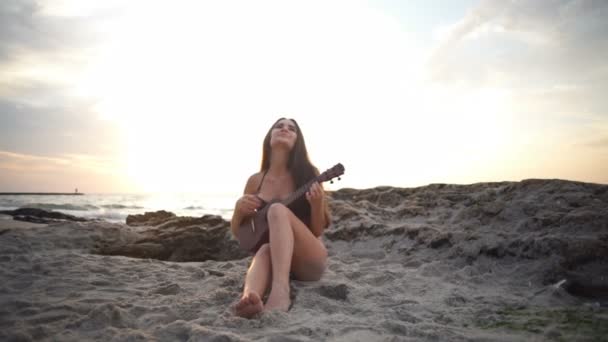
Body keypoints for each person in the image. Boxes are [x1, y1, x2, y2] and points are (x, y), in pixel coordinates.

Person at [230, 117, 331, 318]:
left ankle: (280, 291)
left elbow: (317, 231)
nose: (285, 129)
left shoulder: (310, 175)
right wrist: (238, 211)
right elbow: (241, 233)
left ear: (297, 141)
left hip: (308, 259)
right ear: (269, 137)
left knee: (277, 210)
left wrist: (317, 204)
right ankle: (250, 298)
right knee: (264, 249)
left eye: (291, 129)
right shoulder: (255, 181)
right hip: (275, 258)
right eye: (279, 126)